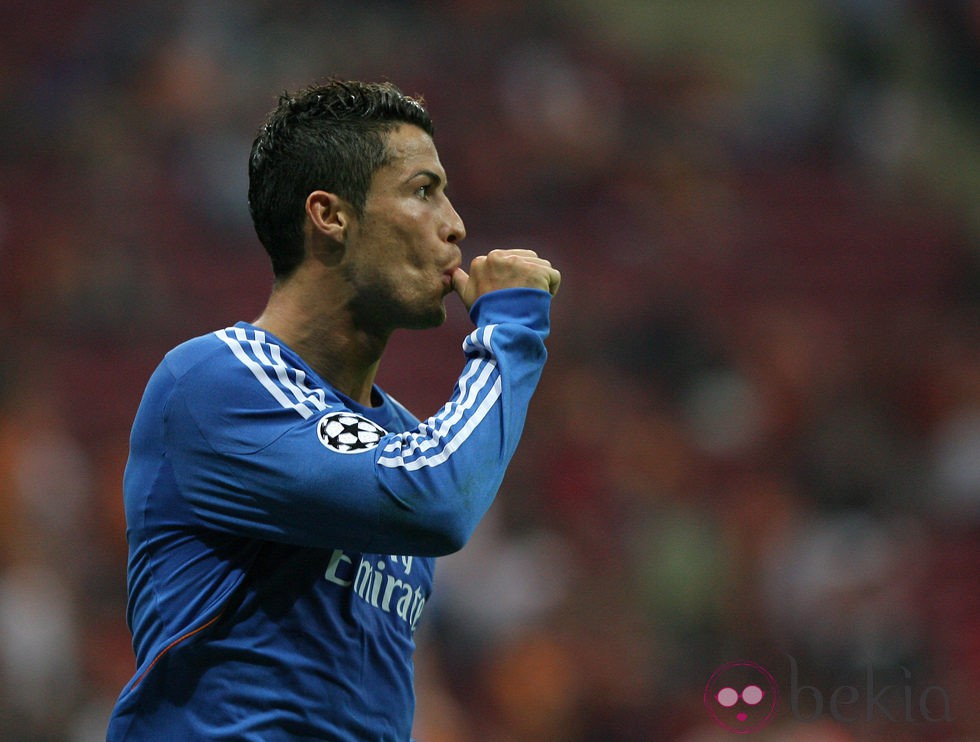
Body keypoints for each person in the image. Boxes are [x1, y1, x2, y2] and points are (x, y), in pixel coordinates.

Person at [106, 79, 560, 740]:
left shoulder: (402, 438)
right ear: (331, 215)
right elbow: (438, 500)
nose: (456, 224)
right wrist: (511, 329)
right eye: (423, 190)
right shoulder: (213, 380)